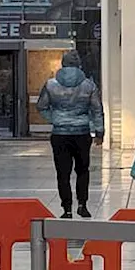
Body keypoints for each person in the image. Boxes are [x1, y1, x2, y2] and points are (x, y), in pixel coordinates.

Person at [37, 51, 104, 218]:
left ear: (63, 64)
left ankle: (67, 209)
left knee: (63, 173)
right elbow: (97, 109)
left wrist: (55, 118)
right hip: (82, 132)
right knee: (82, 170)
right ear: (79, 64)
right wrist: (99, 130)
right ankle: (82, 204)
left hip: (60, 134)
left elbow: (41, 106)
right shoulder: (89, 85)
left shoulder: (50, 84)